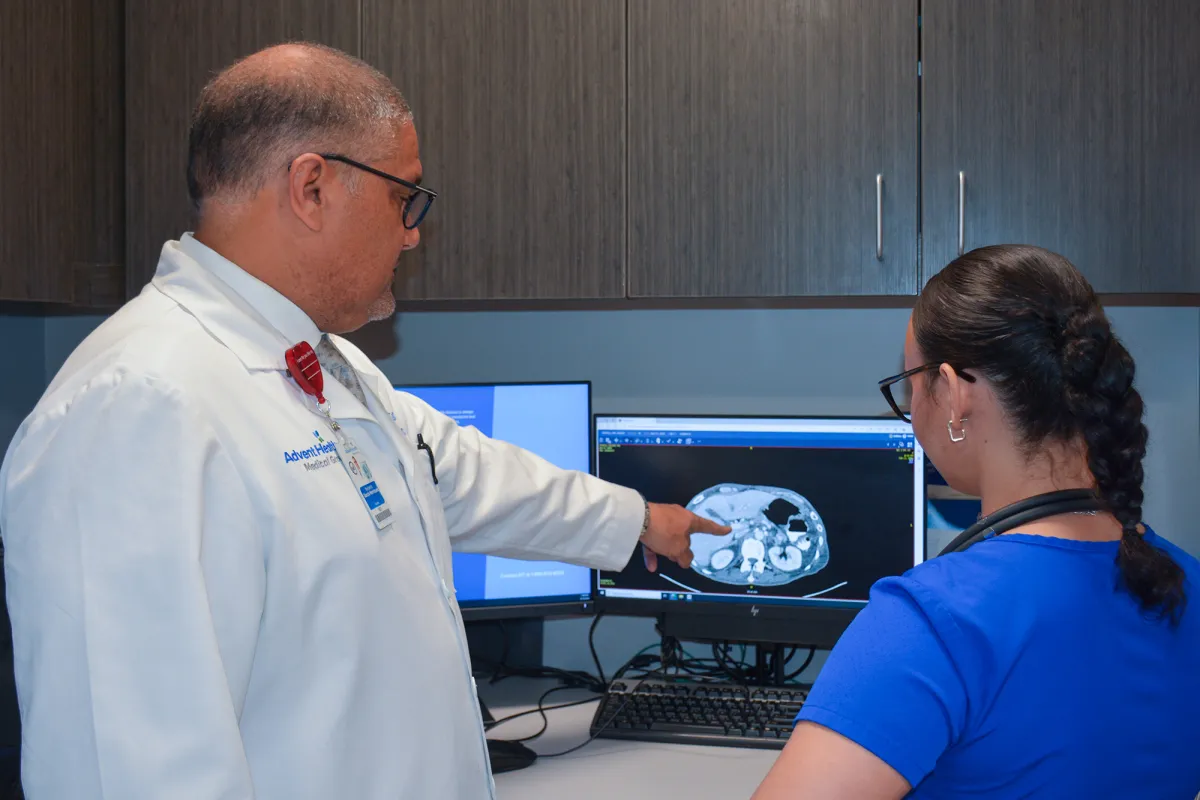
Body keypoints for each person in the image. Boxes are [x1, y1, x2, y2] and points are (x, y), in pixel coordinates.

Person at [0, 43, 728, 800]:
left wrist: (638, 520)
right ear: (311, 187)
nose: (412, 232)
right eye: (402, 197)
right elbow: (128, 770)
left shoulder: (320, 364)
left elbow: (456, 472)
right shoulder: (138, 407)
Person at [752, 245, 1200, 798]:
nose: (911, 410)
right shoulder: (1186, 582)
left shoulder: (932, 620)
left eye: (911, 385)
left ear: (954, 392)